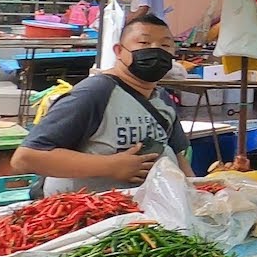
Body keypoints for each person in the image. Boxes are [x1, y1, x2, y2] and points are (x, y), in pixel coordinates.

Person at [12, 14, 192, 195]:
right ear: (119, 51)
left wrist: (196, 193)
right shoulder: (94, 93)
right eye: (144, 43)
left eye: (165, 45)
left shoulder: (162, 99)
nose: (156, 51)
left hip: (143, 214)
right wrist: (112, 166)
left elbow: (177, 156)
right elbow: (26, 158)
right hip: (84, 213)